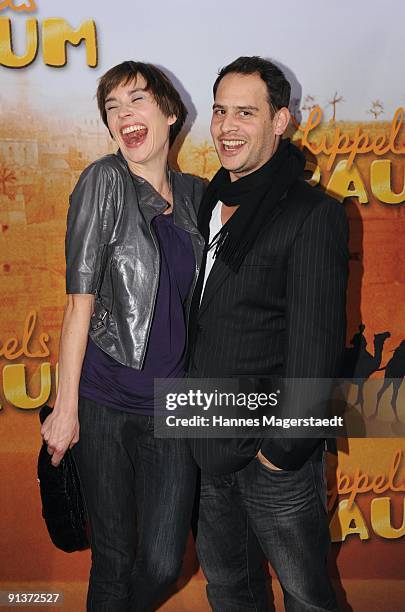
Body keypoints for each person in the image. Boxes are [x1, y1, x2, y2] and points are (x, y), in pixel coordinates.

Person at [40, 60, 205, 611]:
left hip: (172, 404)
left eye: (136, 100)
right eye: (113, 108)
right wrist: (65, 410)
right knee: (113, 560)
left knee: (162, 561)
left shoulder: (197, 197)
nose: (124, 115)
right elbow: (78, 304)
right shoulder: (103, 180)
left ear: (170, 112)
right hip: (105, 401)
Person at [188, 57, 349, 611]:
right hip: (207, 439)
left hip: (273, 455)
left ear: (281, 121)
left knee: (307, 598)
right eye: (220, 111)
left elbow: (317, 349)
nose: (227, 126)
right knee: (231, 591)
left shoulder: (311, 215)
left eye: (245, 113)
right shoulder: (207, 202)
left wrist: (280, 454)